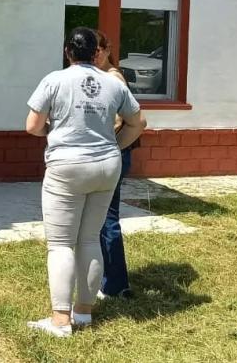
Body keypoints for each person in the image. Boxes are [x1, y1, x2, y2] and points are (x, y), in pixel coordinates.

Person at [24, 26, 146, 337]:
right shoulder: (112, 82)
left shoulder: (54, 79)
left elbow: (32, 126)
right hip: (106, 165)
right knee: (90, 239)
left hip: (67, 166)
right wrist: (115, 145)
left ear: (67, 52)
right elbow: (138, 122)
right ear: (96, 53)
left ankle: (61, 321)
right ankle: (84, 313)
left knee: (62, 243)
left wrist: (53, 130)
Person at [95, 29, 136, 299]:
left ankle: (117, 284)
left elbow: (122, 121)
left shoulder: (113, 78)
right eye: (92, 51)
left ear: (108, 50)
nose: (96, 56)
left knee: (107, 219)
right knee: (101, 219)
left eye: (100, 50)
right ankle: (106, 277)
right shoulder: (98, 77)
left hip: (114, 152)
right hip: (110, 152)